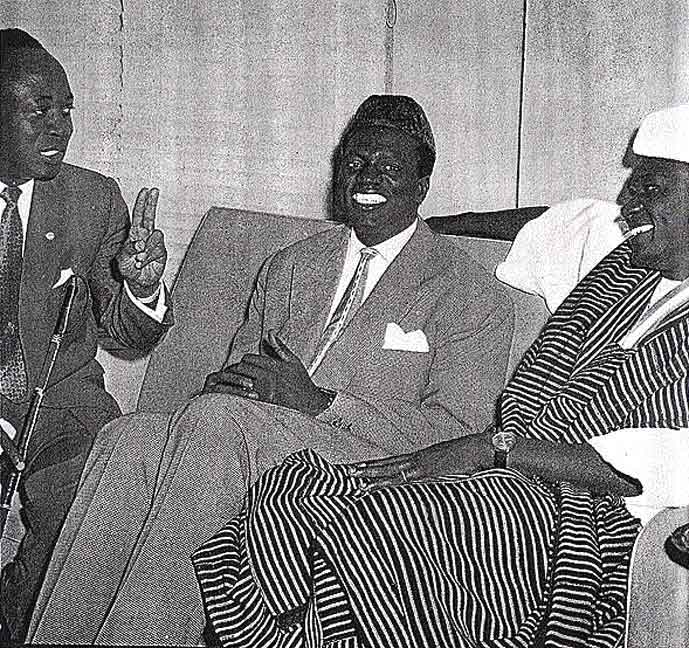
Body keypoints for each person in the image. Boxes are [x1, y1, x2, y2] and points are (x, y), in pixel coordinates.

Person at [190, 104, 689, 648]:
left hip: (588, 513)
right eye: (631, 186)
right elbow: (542, 221)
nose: (626, 204)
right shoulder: (616, 257)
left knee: (363, 522)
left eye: (651, 189)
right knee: (300, 490)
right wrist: (416, 227)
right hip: (505, 477)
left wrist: (493, 450)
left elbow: (667, 465)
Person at [25, 94, 514, 644]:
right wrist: (227, 387)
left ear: (422, 185)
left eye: (390, 167)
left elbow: (459, 434)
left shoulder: (470, 291)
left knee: (214, 426)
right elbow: (238, 376)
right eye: (354, 164)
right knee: (128, 436)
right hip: (253, 437)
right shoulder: (291, 264)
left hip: (373, 461)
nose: (367, 177)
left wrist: (322, 402)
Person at [0, 29, 173, 642]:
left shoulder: (94, 200)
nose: (60, 127)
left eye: (66, 108)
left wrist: (142, 287)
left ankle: (21, 606)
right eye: (38, 109)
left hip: (59, 402)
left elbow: (126, 335)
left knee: (100, 487)